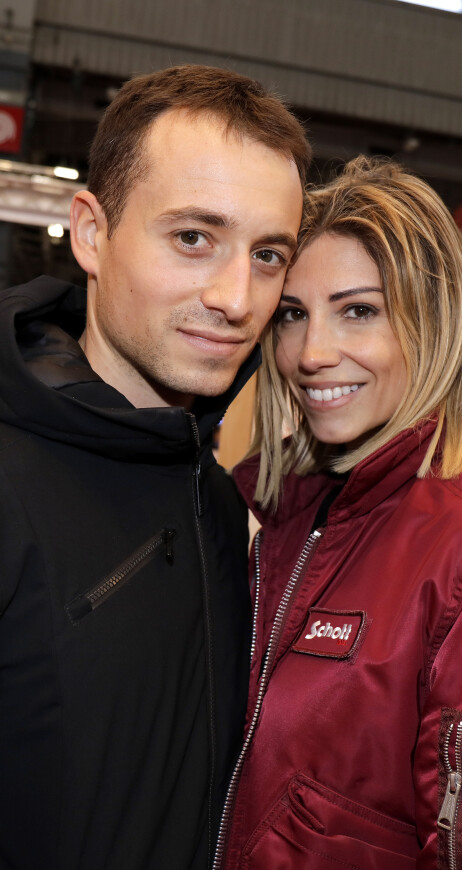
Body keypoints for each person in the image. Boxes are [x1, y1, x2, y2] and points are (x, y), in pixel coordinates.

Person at [219, 157, 462, 869]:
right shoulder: (277, 525)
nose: (313, 353)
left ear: (431, 324)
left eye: (360, 310)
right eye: (293, 315)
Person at [0, 64, 309, 870]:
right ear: (92, 232)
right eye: (194, 238)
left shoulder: (211, 496)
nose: (238, 297)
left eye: (269, 254)